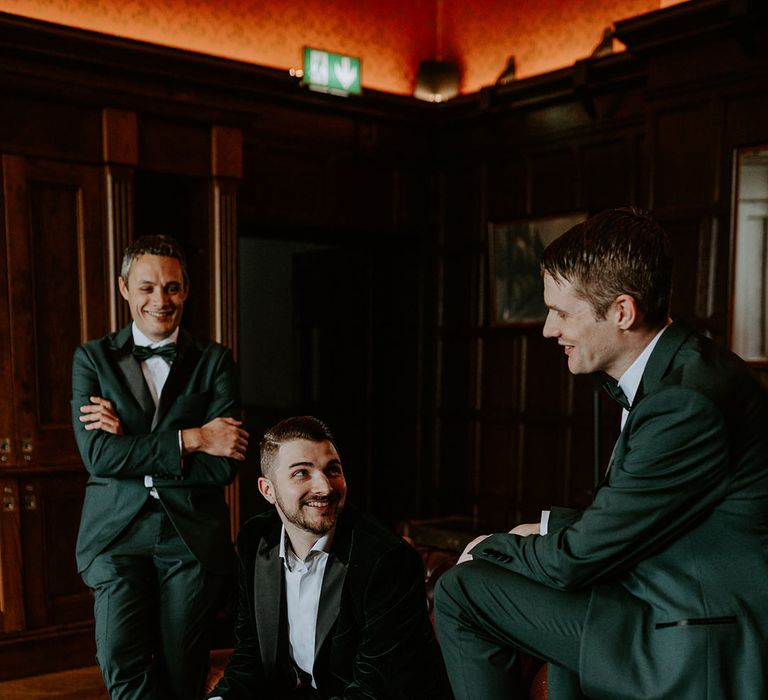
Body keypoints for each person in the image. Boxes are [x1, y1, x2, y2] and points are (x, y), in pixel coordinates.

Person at [434, 208, 768, 699]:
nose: (549, 330)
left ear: (622, 312)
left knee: (461, 590)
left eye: (562, 313)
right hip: (659, 601)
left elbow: (576, 561)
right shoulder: (685, 369)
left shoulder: (684, 402)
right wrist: (546, 528)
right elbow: (644, 513)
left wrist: (489, 544)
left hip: (693, 634)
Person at [71, 234, 249, 700]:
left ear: (186, 290)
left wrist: (131, 447)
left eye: (171, 287)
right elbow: (99, 457)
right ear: (124, 288)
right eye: (147, 287)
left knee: (182, 668)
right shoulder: (92, 359)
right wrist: (193, 438)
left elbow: (224, 466)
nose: (160, 300)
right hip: (114, 533)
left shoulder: (214, 362)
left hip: (189, 535)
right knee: (119, 659)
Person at [207, 415, 452, 700]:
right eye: (302, 473)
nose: (325, 487)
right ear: (268, 490)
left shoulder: (386, 559)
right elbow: (250, 658)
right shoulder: (255, 539)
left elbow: (375, 691)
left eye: (332, 469)